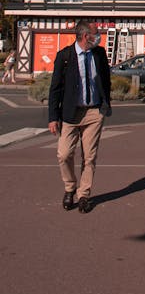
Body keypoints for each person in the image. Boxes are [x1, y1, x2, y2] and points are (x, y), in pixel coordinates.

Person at [48, 20, 111, 213]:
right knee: (64, 154)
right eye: (96, 33)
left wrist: (105, 103)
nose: (99, 35)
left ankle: (84, 194)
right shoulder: (65, 56)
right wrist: (53, 117)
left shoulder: (99, 54)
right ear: (86, 36)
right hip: (71, 114)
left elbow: (105, 80)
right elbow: (55, 89)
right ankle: (70, 187)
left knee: (89, 157)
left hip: (93, 112)